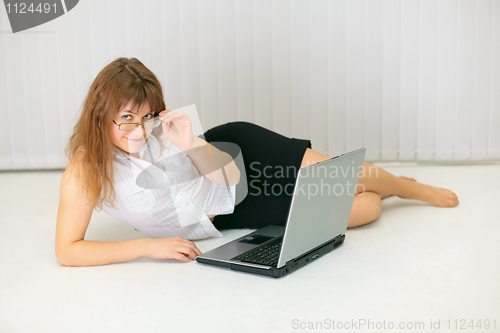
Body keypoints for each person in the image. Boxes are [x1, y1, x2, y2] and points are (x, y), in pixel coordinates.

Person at [55, 57, 459, 267]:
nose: (139, 131)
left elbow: (229, 172)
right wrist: (146, 246)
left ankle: (410, 187)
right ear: (100, 113)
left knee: (341, 175)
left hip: (239, 155)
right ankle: (384, 188)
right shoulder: (84, 170)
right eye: (125, 118)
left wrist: (190, 141)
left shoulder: (167, 130)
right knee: (363, 208)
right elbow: (67, 250)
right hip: (232, 210)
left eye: (146, 116)